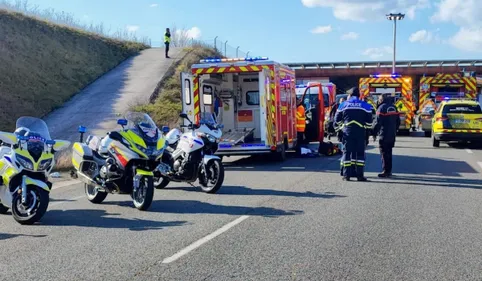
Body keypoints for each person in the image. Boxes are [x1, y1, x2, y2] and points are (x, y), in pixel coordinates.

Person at [334, 87, 373, 181]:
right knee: (360, 154)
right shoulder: (366, 105)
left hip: (348, 132)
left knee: (347, 153)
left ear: (350, 95)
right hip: (360, 133)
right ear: (359, 96)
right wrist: (366, 130)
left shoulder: (343, 105)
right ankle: (360, 176)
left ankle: (346, 175)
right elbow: (369, 123)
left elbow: (337, 120)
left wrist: (339, 129)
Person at [372, 94, 400, 178]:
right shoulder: (394, 107)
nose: (379, 101)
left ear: (382, 100)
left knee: (384, 153)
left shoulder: (381, 108)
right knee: (389, 152)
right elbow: (398, 121)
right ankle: (389, 171)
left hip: (383, 134)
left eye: (379, 99)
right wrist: (395, 130)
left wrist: (374, 133)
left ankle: (385, 171)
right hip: (392, 134)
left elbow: (378, 122)